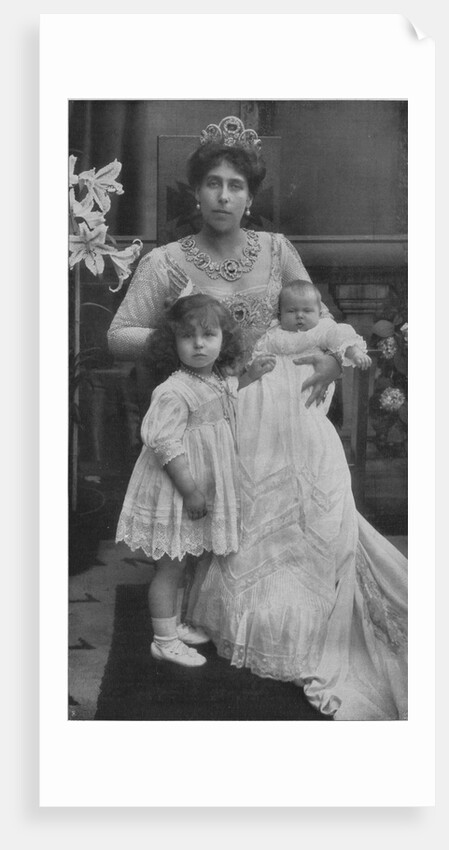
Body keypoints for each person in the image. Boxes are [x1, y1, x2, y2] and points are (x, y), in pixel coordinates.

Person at [108, 115, 407, 717]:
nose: (224, 196)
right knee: (231, 538)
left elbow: (310, 318)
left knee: (319, 517)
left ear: (250, 195)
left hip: (284, 408)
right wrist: (188, 342)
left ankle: (306, 622)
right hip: (213, 420)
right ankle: (241, 621)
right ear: (196, 192)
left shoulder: (276, 250)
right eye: (213, 183)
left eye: (236, 186)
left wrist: (326, 357)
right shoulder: (167, 262)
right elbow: (118, 336)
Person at [115, 292, 275, 667]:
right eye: (188, 337)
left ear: (224, 340)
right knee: (170, 566)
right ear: (172, 344)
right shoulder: (173, 391)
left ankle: (175, 624)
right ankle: (163, 640)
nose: (199, 344)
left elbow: (229, 394)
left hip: (202, 482)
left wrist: (252, 374)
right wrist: (190, 491)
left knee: (187, 559)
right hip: (179, 486)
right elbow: (165, 444)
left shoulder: (215, 378)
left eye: (209, 336)